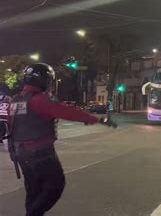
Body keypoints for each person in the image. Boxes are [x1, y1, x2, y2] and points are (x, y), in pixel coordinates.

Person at [8, 63, 99, 216]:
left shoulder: (16, 100)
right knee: (55, 186)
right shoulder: (39, 100)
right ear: (42, 80)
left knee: (33, 189)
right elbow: (66, 111)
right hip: (40, 152)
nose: (49, 84)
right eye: (48, 80)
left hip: (21, 153)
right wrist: (93, 119)